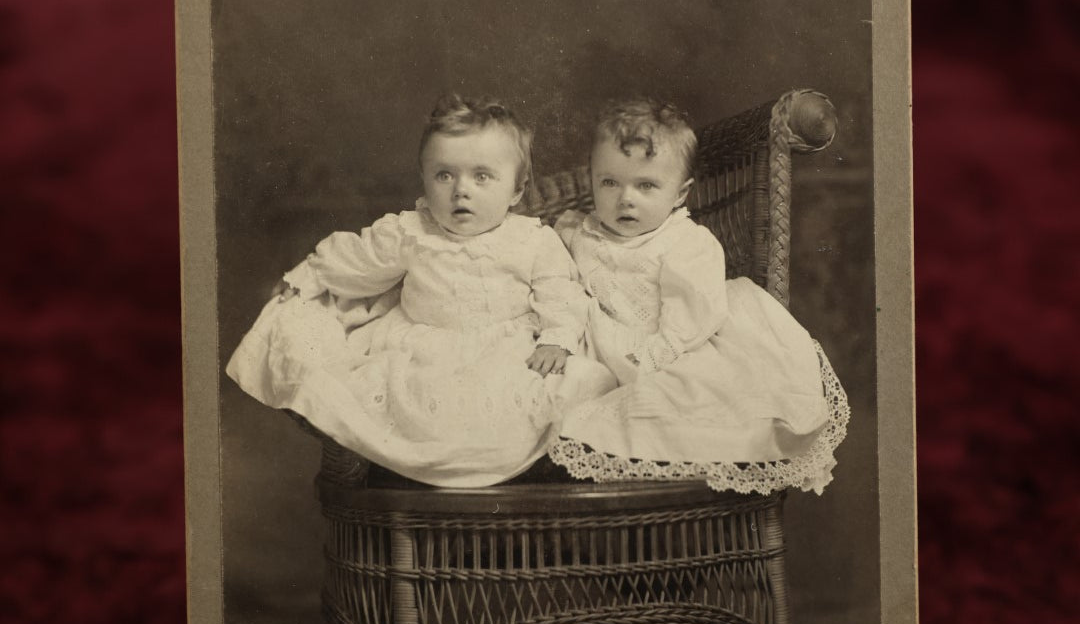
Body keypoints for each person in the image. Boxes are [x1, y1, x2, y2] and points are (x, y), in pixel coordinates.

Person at [226, 95, 614, 487]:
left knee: (572, 386)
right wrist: (307, 278)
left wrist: (557, 340)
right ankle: (430, 468)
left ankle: (504, 468)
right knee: (396, 394)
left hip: (506, 347)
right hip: (422, 351)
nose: (461, 190)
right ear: (425, 180)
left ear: (517, 189)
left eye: (482, 177)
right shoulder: (410, 232)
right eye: (444, 175)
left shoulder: (532, 240)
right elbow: (355, 259)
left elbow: (561, 292)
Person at [548, 99, 849, 493]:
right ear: (592, 181)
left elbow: (691, 315)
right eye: (610, 182)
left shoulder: (685, 243)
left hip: (674, 347)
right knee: (562, 395)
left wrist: (655, 355)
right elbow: (557, 285)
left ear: (679, 193)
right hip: (602, 345)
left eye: (646, 185)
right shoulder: (577, 233)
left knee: (686, 397)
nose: (626, 199)